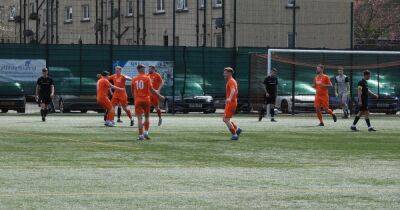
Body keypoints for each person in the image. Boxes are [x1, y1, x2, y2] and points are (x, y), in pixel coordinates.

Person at [131, 64, 164, 140]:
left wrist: (135, 98)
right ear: (141, 69)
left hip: (138, 100)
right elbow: (152, 90)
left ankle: (140, 135)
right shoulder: (147, 78)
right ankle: (146, 132)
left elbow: (132, 91)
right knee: (146, 117)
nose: (146, 69)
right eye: (144, 68)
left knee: (139, 118)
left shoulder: (134, 79)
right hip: (146, 99)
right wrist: (160, 96)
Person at [223, 67, 242, 141]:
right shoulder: (232, 81)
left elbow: (233, 90)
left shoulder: (231, 81)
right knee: (226, 119)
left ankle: (234, 135)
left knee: (226, 119)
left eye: (225, 73)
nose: (224, 74)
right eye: (224, 72)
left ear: (229, 73)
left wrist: (230, 98)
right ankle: (237, 129)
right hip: (231, 103)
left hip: (231, 103)